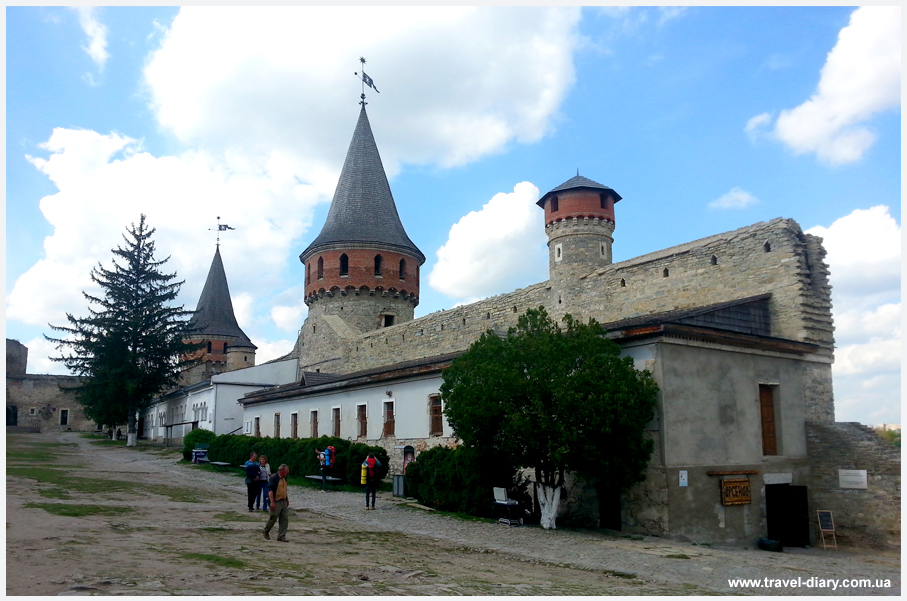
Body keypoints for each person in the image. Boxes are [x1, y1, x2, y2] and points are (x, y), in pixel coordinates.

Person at [263, 463, 290, 542]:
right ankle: (266, 530)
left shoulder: (284, 478)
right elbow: (270, 490)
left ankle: (281, 536)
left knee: (284, 519)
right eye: (286, 471)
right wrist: (272, 502)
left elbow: (284, 489)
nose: (287, 472)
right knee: (273, 517)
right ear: (281, 471)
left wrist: (287, 499)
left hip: (283, 501)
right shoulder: (274, 478)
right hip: (276, 501)